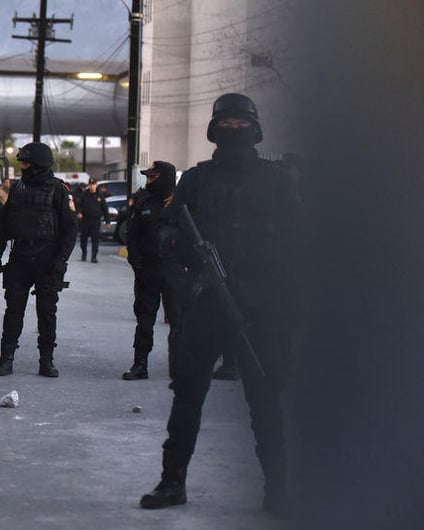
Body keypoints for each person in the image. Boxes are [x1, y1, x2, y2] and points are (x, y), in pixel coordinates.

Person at [139, 93, 298, 517]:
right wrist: (188, 254)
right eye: (224, 123)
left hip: (260, 307)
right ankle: (172, 482)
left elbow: (299, 240)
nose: (232, 129)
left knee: (265, 398)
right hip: (208, 302)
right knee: (187, 395)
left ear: (253, 128)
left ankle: (277, 490)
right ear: (214, 129)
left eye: (238, 123)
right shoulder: (196, 180)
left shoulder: (278, 180)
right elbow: (168, 230)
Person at [0, 142, 78, 377]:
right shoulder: (18, 188)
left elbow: (71, 229)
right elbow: (5, 224)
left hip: (47, 258)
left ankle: (46, 360)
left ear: (39, 165)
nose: (23, 166)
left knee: (47, 312)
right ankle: (6, 358)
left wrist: (61, 260)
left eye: (26, 162)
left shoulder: (59, 190)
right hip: (20, 257)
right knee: (13, 311)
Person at [123, 161, 182, 380]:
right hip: (148, 270)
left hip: (174, 270)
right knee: (144, 320)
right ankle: (140, 364)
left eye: (153, 178)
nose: (148, 182)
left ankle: (178, 368)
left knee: (178, 321)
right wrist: (136, 263)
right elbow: (133, 234)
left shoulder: (180, 203)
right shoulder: (143, 202)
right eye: (147, 177)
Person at [75, 177, 110, 263]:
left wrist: (107, 221)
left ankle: (94, 256)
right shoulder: (84, 195)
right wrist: (78, 212)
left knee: (95, 239)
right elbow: (78, 205)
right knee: (83, 239)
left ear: (96, 185)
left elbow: (105, 208)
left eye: (93, 184)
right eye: (90, 184)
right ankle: (84, 253)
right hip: (85, 220)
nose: (92, 186)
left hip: (96, 220)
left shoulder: (100, 195)